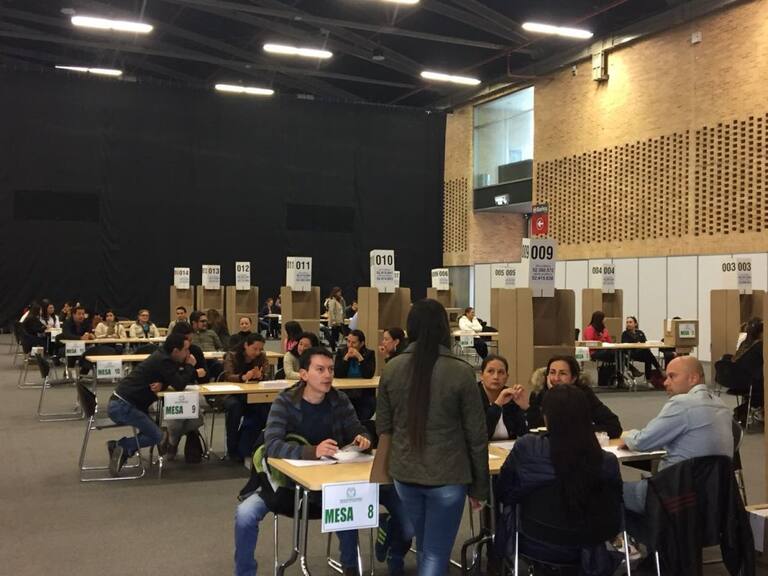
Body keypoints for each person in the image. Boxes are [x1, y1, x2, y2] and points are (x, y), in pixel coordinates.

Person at [234, 347, 371, 576]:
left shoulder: (339, 400)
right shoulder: (285, 401)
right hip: (284, 487)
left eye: (330, 370)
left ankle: (350, 567)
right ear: (304, 374)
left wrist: (363, 438)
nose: (327, 375)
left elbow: (357, 428)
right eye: (320, 369)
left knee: (349, 503)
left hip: (328, 487)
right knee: (245, 514)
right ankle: (245, 572)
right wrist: (312, 451)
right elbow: (272, 445)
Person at [376, 299, 489, 576]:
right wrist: (479, 488)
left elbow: (383, 425)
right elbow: (476, 435)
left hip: (405, 473)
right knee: (435, 553)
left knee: (426, 547)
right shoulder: (461, 371)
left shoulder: (392, 368)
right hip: (448, 475)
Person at [496, 384, 622, 566]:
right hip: (590, 542)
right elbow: (616, 504)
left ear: (546, 417)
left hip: (535, 537)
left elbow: (503, 489)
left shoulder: (527, 447)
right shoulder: (607, 461)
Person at [622, 356, 732, 521]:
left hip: (674, 496)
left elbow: (641, 442)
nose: (665, 382)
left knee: (610, 491)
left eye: (672, 376)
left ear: (693, 378)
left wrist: (626, 435)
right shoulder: (722, 406)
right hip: (713, 497)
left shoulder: (681, 404)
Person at [106, 333, 197, 476]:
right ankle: (121, 446)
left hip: (127, 404)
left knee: (156, 433)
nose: (188, 353)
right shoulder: (164, 360)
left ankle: (123, 449)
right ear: (175, 351)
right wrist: (190, 366)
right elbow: (179, 383)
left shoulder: (163, 357)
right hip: (123, 406)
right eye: (185, 350)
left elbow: (169, 377)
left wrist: (163, 383)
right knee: (158, 436)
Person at [510, 355, 623, 439]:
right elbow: (537, 430)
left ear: (573, 378)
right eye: (552, 372)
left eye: (562, 373)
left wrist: (577, 431)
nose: (556, 378)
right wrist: (531, 407)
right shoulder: (539, 394)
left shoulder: (584, 394)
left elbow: (614, 426)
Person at [161, 323, 209, 460]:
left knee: (194, 416)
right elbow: (176, 381)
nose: (189, 343)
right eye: (187, 340)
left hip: (193, 390)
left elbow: (204, 375)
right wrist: (192, 370)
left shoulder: (195, 351)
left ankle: (172, 439)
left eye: (191, 340)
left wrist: (194, 373)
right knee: (181, 412)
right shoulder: (169, 353)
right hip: (170, 394)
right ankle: (177, 440)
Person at [222, 333, 271, 461]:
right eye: (254, 348)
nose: (257, 352)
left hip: (254, 394)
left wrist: (261, 376)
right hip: (233, 394)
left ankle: (251, 444)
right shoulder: (232, 356)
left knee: (265, 406)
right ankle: (232, 448)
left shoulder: (262, 357)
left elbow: (267, 375)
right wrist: (243, 377)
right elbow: (227, 376)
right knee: (235, 407)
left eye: (260, 349)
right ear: (245, 345)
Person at [722, 317, 763, 424]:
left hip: (735, 381)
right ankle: (743, 410)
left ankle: (745, 411)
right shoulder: (760, 346)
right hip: (748, 383)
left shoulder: (744, 343)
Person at [478, 355, 528, 440]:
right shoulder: (472, 397)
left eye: (501, 372)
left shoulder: (511, 397)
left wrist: (525, 408)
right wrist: (497, 404)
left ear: (507, 377)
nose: (496, 377)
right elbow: (480, 435)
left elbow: (523, 433)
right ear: (481, 375)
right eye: (490, 371)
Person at [335, 329, 377, 421]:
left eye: (353, 343)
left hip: (363, 394)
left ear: (361, 344)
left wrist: (360, 357)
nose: (350, 345)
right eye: (348, 341)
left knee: (363, 414)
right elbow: (338, 374)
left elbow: (368, 375)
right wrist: (346, 358)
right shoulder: (341, 352)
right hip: (345, 393)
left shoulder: (369, 354)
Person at [621, 316, 663, 381]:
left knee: (648, 357)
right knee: (648, 354)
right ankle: (659, 370)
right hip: (631, 353)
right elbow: (625, 344)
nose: (628, 324)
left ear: (635, 324)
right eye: (627, 322)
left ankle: (649, 378)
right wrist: (636, 344)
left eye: (630, 322)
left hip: (642, 353)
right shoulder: (625, 334)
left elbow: (645, 342)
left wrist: (642, 344)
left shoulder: (640, 333)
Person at [325, 286, 346, 351]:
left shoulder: (339, 300)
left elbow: (342, 309)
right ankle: (333, 348)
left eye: (340, 292)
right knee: (337, 335)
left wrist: (342, 300)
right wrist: (333, 320)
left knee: (334, 335)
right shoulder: (332, 300)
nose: (340, 293)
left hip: (339, 321)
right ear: (335, 292)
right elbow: (332, 311)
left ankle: (334, 348)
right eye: (338, 292)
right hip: (335, 322)